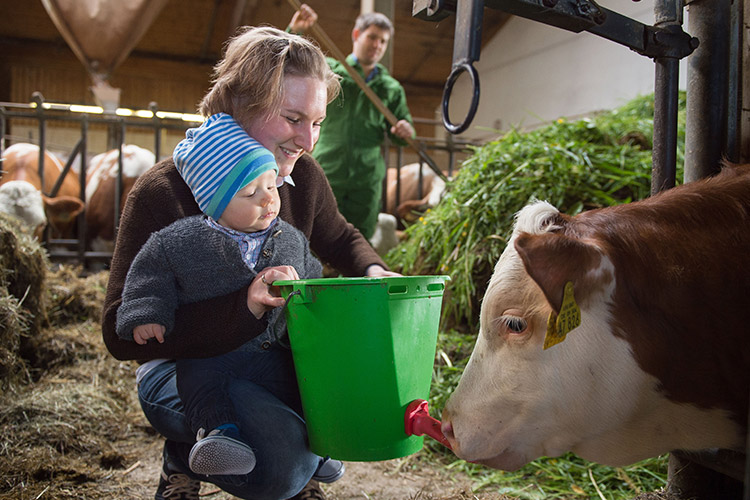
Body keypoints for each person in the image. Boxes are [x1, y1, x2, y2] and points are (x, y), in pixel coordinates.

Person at [101, 25, 399, 500]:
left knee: (324, 416)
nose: (308, 139)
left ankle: (277, 452)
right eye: (292, 117)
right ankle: (183, 452)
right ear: (241, 104)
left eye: (318, 121)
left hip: (267, 361)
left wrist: (374, 271)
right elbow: (119, 330)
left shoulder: (301, 174)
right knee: (283, 467)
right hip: (186, 371)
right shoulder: (165, 191)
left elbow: (340, 237)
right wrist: (243, 308)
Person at [115, 113, 327, 479]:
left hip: (267, 353)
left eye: (272, 187)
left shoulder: (289, 238)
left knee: (301, 381)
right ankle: (218, 436)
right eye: (250, 193)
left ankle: (325, 446)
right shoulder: (180, 241)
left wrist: (315, 298)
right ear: (214, 202)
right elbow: (149, 272)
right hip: (210, 353)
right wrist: (147, 312)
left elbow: (313, 274)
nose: (268, 201)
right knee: (199, 379)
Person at [287, 4, 416, 240]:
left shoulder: (391, 88)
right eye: (372, 37)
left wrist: (406, 130)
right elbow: (290, 61)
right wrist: (296, 31)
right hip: (328, 168)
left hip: (366, 179)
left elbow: (402, 131)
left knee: (359, 238)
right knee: (314, 235)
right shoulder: (330, 72)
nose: (377, 45)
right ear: (357, 35)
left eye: (383, 41)